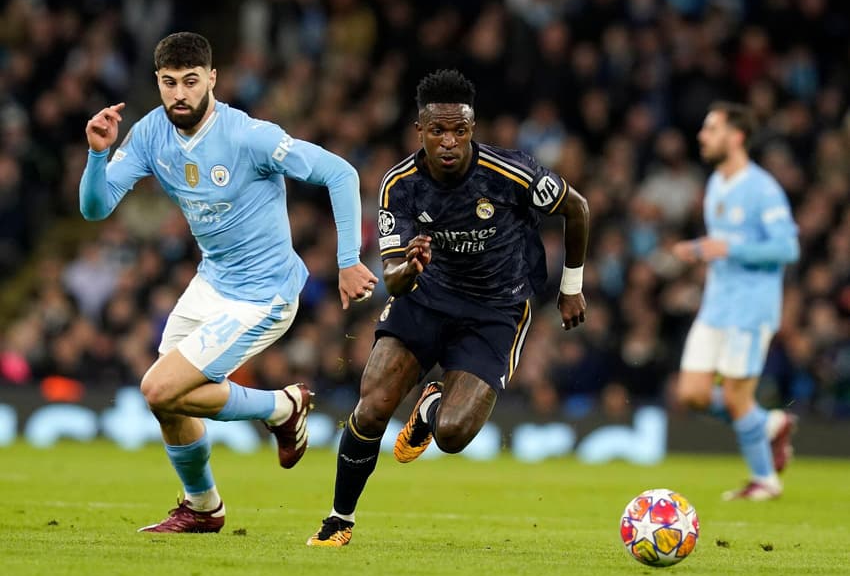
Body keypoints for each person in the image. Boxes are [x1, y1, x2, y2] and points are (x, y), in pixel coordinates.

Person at [80, 32, 378, 532]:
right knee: (169, 403)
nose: (180, 94)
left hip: (264, 294)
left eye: (191, 82)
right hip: (211, 283)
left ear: (212, 79)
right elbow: (96, 207)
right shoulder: (152, 133)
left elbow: (341, 173)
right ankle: (203, 507)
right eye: (169, 83)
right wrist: (96, 154)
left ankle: (281, 406)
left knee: (158, 388)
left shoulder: (248, 136)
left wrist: (348, 260)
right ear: (157, 82)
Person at [307, 69, 589, 546]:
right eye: (438, 130)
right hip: (427, 297)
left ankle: (433, 404)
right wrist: (410, 269)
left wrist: (572, 286)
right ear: (420, 130)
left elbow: (577, 208)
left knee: (453, 436)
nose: (449, 141)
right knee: (373, 406)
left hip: (496, 311)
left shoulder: (513, 174)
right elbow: (392, 275)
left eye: (460, 130)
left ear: (473, 128)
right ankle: (339, 519)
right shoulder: (400, 185)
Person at [672, 102, 799, 501]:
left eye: (711, 129)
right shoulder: (716, 184)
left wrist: (730, 248)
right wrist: (699, 248)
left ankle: (765, 480)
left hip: (750, 307)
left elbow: (787, 248)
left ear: (736, 136)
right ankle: (768, 423)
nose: (702, 136)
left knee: (735, 396)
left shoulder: (762, 188)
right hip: (716, 305)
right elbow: (722, 246)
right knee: (691, 392)